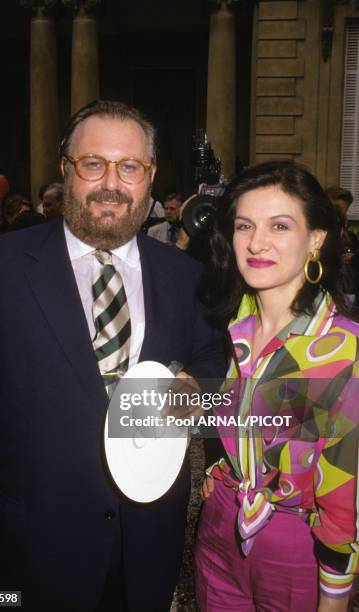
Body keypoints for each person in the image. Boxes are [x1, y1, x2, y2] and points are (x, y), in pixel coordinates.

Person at [0, 100, 224, 612]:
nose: (111, 184)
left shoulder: (186, 276)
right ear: (65, 170)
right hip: (28, 538)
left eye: (130, 167)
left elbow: (213, 351)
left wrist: (195, 384)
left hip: (146, 535)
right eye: (93, 164)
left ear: (151, 176)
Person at [194, 160, 359, 612]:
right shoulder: (233, 325)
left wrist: (335, 598)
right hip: (219, 524)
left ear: (316, 239)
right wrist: (222, 466)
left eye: (280, 225)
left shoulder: (343, 350)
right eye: (244, 225)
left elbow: (343, 495)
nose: (256, 242)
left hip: (296, 541)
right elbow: (236, 413)